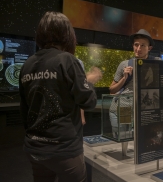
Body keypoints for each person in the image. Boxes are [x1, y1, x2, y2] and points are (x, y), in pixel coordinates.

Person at [19, 11, 102, 182]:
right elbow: (89, 102)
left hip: (34, 148)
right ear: (67, 34)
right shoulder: (67, 60)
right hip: (64, 150)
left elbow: (25, 110)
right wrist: (90, 81)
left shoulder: (27, 64)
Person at [109, 29, 159, 138]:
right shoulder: (124, 64)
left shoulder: (156, 63)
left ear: (149, 48)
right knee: (123, 138)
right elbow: (112, 90)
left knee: (147, 138)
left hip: (146, 108)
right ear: (133, 46)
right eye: (136, 45)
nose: (138, 49)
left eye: (143, 45)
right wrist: (124, 77)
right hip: (125, 106)